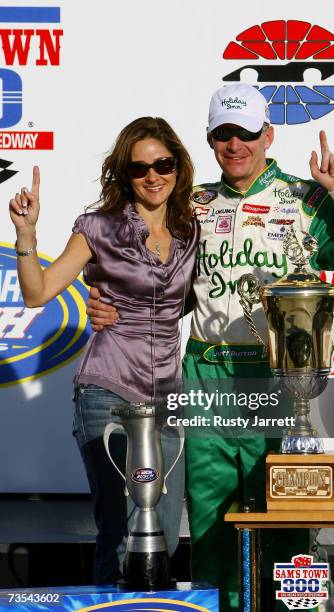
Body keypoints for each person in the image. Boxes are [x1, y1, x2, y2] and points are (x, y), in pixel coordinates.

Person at [86, 84, 334, 610]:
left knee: (285, 523)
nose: (236, 144)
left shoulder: (305, 200)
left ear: (268, 135)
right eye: (223, 133)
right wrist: (110, 306)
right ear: (210, 140)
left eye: (247, 133)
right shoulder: (192, 206)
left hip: (280, 380)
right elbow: (155, 285)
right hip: (205, 374)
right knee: (210, 527)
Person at [9, 117, 199, 585]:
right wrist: (27, 235)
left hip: (167, 399)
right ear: (124, 174)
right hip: (107, 391)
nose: (153, 176)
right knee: (119, 534)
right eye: (139, 169)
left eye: (163, 164)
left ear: (178, 166)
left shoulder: (196, 228)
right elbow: (38, 293)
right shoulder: (98, 228)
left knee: (165, 537)